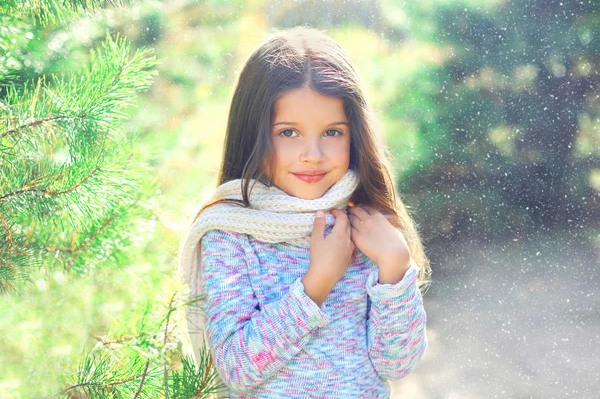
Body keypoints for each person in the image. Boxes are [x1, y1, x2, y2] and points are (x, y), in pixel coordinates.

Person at [178, 25, 432, 399]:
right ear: (255, 134)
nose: (313, 154)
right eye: (288, 133)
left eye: (332, 132)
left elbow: (396, 364)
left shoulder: (366, 230)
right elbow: (235, 368)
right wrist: (317, 283)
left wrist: (394, 269)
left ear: (355, 134)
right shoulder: (230, 235)